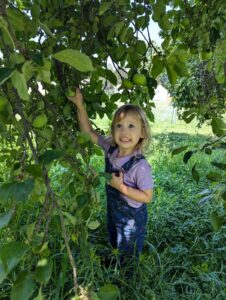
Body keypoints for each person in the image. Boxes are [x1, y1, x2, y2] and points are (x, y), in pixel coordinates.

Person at [68, 88, 154, 261]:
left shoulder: (140, 166)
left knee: (128, 250)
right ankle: (116, 258)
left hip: (132, 218)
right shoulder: (111, 148)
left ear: (142, 133)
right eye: (119, 126)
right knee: (114, 237)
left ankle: (128, 275)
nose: (124, 132)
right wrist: (79, 104)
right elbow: (88, 133)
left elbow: (147, 197)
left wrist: (121, 187)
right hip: (114, 210)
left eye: (131, 126)